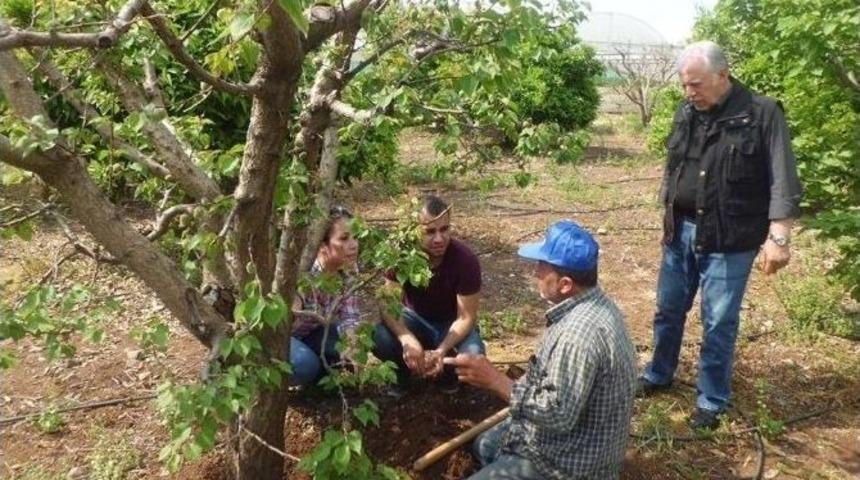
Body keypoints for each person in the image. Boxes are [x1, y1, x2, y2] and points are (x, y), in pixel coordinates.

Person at [637, 41, 803, 429]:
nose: (688, 92)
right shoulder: (687, 110)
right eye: (684, 85)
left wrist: (779, 236)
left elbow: (784, 177)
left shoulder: (762, 113)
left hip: (730, 237)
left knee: (718, 321)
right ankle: (659, 373)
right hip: (680, 232)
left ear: (723, 75)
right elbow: (676, 164)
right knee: (668, 309)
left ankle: (711, 400)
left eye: (695, 84)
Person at [446, 220, 637, 480]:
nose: (535, 272)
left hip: (572, 465)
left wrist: (495, 380)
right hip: (575, 440)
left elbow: (557, 415)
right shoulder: (595, 304)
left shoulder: (576, 336)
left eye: (542, 267)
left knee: (490, 453)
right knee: (485, 445)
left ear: (566, 284)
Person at [372, 194, 484, 394]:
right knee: (378, 336)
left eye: (444, 229)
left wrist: (441, 350)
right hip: (413, 318)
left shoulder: (465, 260)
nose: (439, 238)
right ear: (413, 232)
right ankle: (402, 377)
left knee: (474, 356)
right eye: (430, 232)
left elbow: (466, 317)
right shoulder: (399, 256)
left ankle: (448, 378)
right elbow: (387, 305)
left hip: (450, 323)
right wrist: (406, 338)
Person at [289, 206, 361, 387]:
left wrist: (352, 346)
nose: (353, 245)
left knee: (350, 344)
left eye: (355, 236)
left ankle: (319, 382)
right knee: (305, 365)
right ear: (322, 246)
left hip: (309, 334)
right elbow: (285, 320)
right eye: (344, 238)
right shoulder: (304, 274)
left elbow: (349, 317)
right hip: (283, 339)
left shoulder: (347, 274)